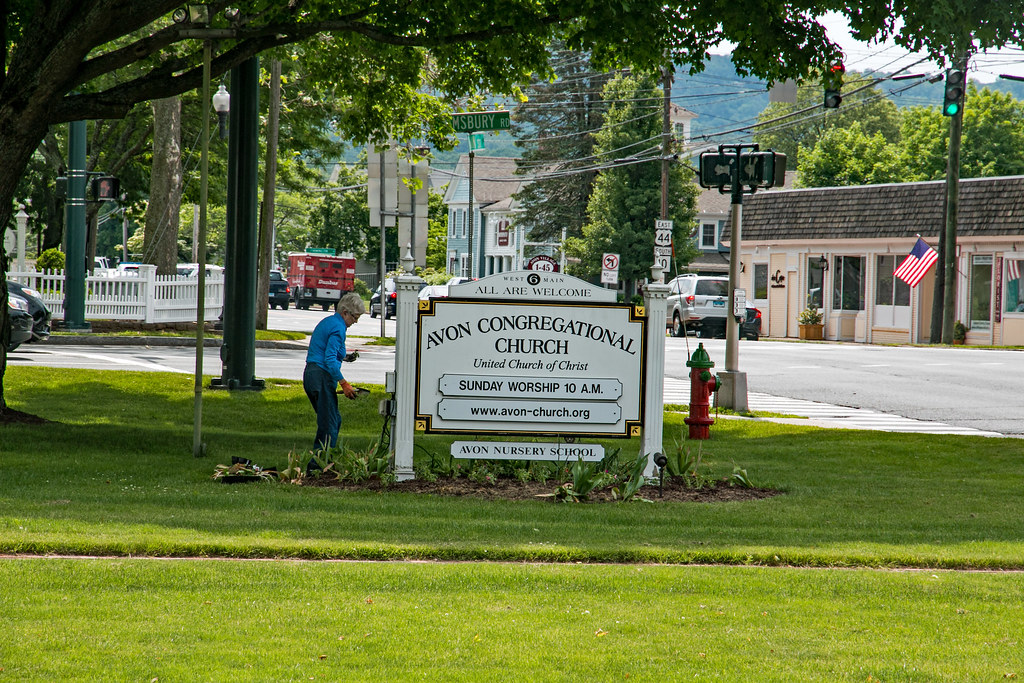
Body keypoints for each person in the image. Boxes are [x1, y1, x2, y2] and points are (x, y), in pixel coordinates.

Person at [303, 291, 366, 454]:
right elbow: (329, 360)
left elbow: (326, 350)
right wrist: (344, 384)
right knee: (329, 425)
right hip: (321, 376)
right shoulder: (338, 329)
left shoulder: (329, 322)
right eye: (355, 317)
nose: (356, 321)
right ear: (345, 312)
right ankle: (320, 463)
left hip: (312, 374)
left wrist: (344, 357)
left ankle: (321, 459)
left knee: (332, 420)